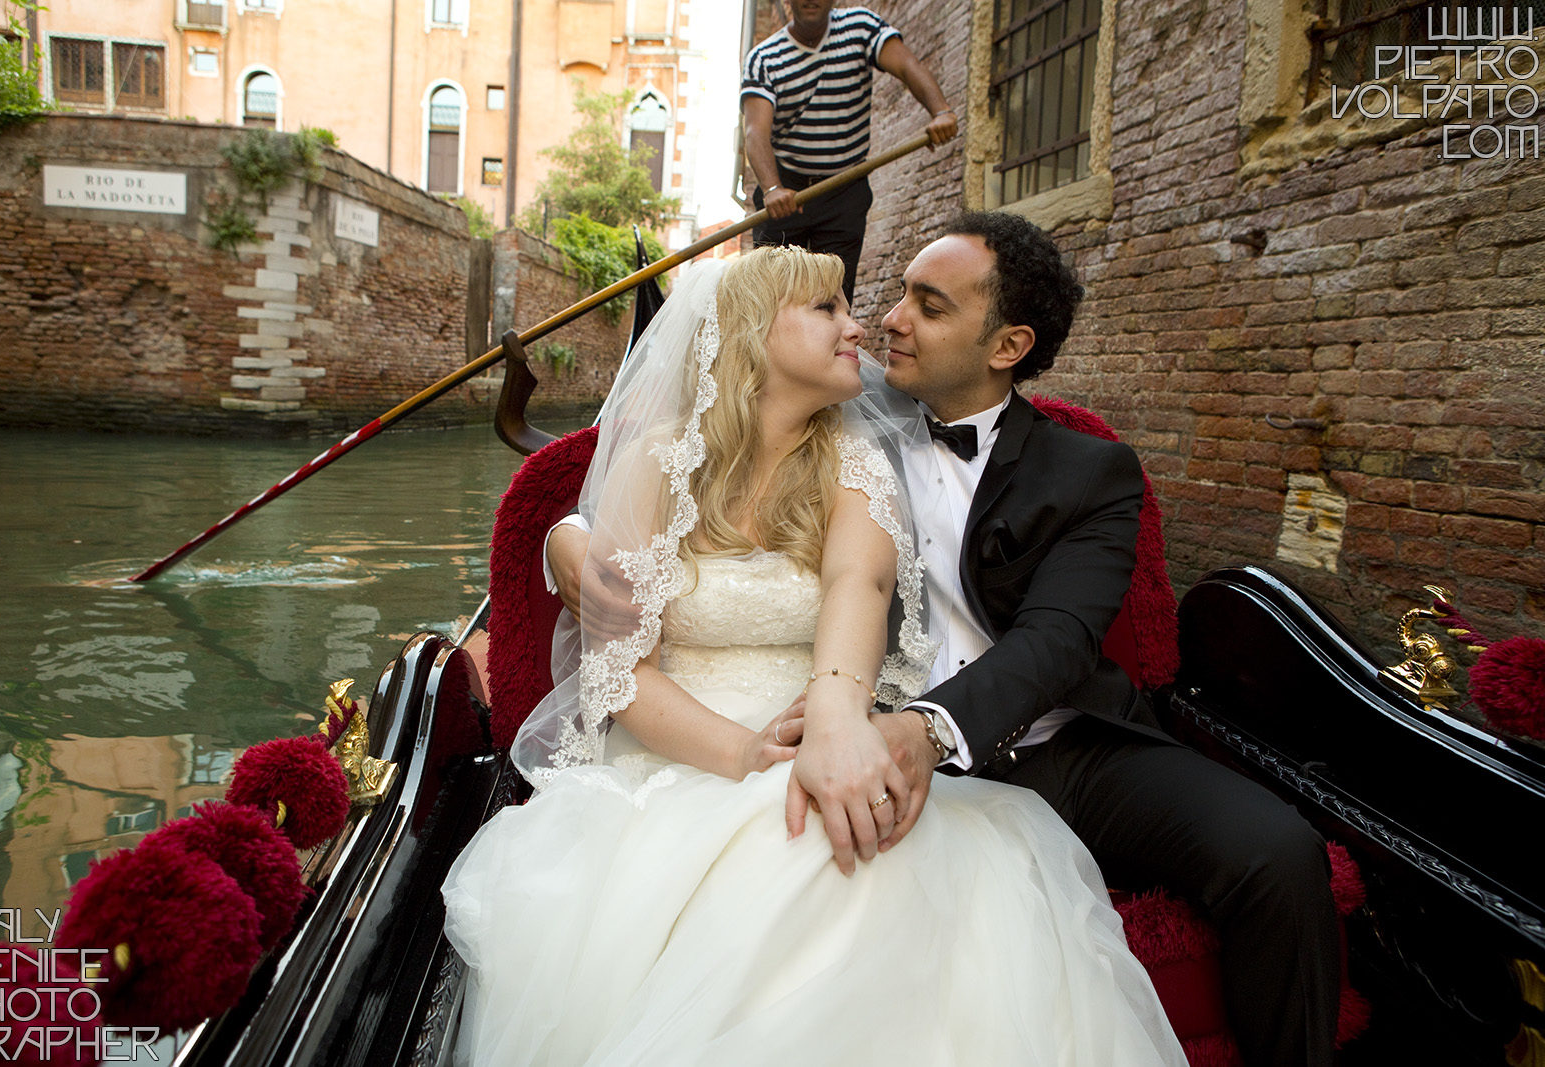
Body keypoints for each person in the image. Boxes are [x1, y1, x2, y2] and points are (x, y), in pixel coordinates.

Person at [553, 216, 1343, 1067]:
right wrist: (567, 539)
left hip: (1054, 743)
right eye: (889, 296)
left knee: (1279, 853)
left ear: (1006, 343)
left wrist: (920, 728)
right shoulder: (844, 406)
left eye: (927, 306)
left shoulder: (1090, 473)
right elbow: (675, 476)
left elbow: (1058, 641)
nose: (886, 319)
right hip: (862, 727)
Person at [444, 246, 1186, 1065]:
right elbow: (621, 672)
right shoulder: (659, 462)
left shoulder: (854, 460)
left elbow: (857, 590)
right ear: (755, 335)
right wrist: (743, 753)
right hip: (672, 756)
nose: (860, 324)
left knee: (839, 846)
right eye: (828, 308)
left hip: (816, 736)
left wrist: (829, 727)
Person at [742, 0, 957, 305]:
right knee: (774, 298)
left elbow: (907, 65)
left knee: (834, 297)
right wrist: (772, 188)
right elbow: (755, 131)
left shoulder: (860, 27)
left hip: (845, 189)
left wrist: (941, 111)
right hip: (787, 194)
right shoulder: (763, 58)